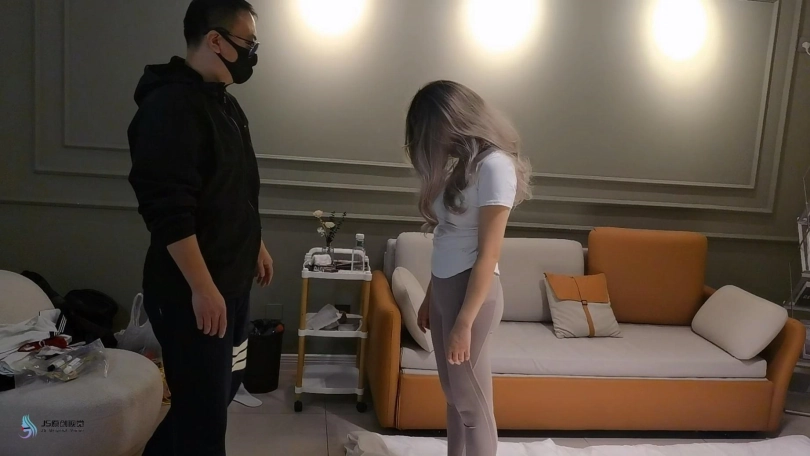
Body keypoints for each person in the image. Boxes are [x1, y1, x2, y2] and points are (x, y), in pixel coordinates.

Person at [127, 1, 272, 455]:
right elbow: (169, 210)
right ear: (215, 40)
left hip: (231, 284)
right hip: (193, 293)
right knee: (203, 417)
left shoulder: (225, 105)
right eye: (248, 43)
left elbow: (235, 188)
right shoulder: (168, 107)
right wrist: (203, 288)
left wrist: (256, 244)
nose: (253, 53)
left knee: (221, 391)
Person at [407, 81, 532, 456]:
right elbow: (448, 236)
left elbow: (488, 255)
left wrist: (463, 322)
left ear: (451, 122)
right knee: (454, 396)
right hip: (446, 290)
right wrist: (431, 295)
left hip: (472, 296)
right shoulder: (467, 165)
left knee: (471, 405)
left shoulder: (495, 166)